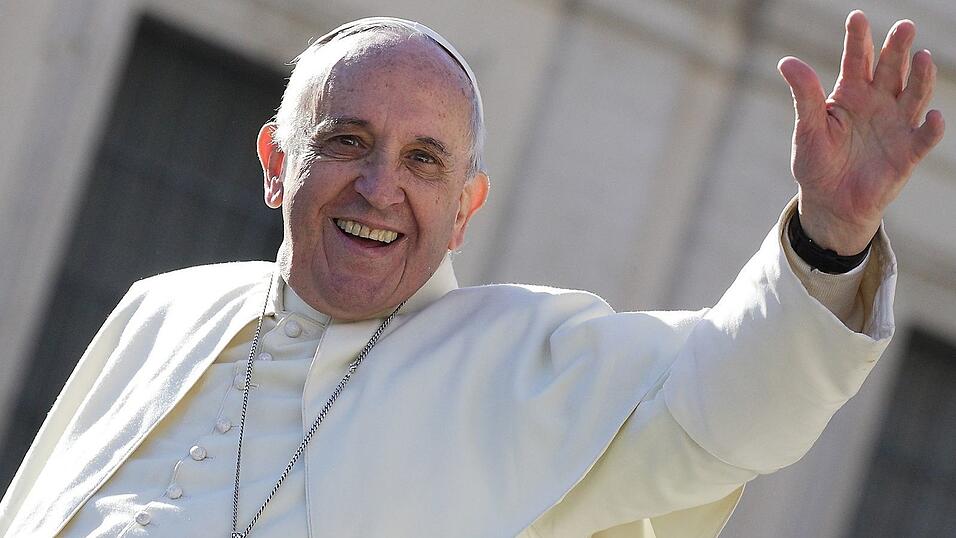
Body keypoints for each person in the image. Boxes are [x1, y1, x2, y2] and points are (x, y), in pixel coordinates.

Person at [0, 10, 944, 538]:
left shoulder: (531, 362)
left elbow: (727, 403)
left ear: (466, 209)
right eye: (347, 141)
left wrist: (831, 231)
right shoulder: (161, 309)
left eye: (424, 162)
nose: (378, 189)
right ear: (274, 162)